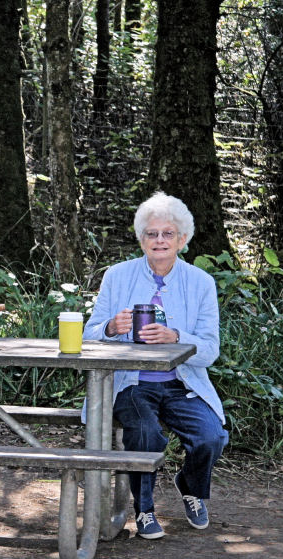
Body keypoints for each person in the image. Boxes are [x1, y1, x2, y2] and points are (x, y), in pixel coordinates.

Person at [84, 192, 229, 539]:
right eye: (152, 234)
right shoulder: (117, 276)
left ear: (182, 239)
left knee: (211, 437)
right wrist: (110, 328)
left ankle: (189, 485)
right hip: (130, 382)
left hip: (183, 381)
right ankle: (144, 509)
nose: (159, 240)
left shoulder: (201, 283)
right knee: (145, 433)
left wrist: (176, 336)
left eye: (168, 234)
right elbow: (89, 335)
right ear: (141, 239)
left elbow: (210, 350)